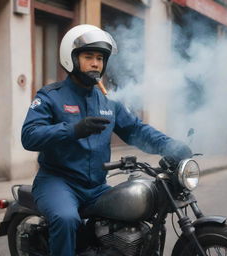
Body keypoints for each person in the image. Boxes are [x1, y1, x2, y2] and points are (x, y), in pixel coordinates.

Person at [21, 24, 192, 256]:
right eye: (88, 56)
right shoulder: (51, 96)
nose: (95, 63)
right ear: (71, 59)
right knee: (66, 218)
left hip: (96, 186)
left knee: (133, 209)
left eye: (100, 58)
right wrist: (73, 130)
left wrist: (170, 146)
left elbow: (136, 130)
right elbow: (29, 136)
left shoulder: (108, 102)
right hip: (58, 182)